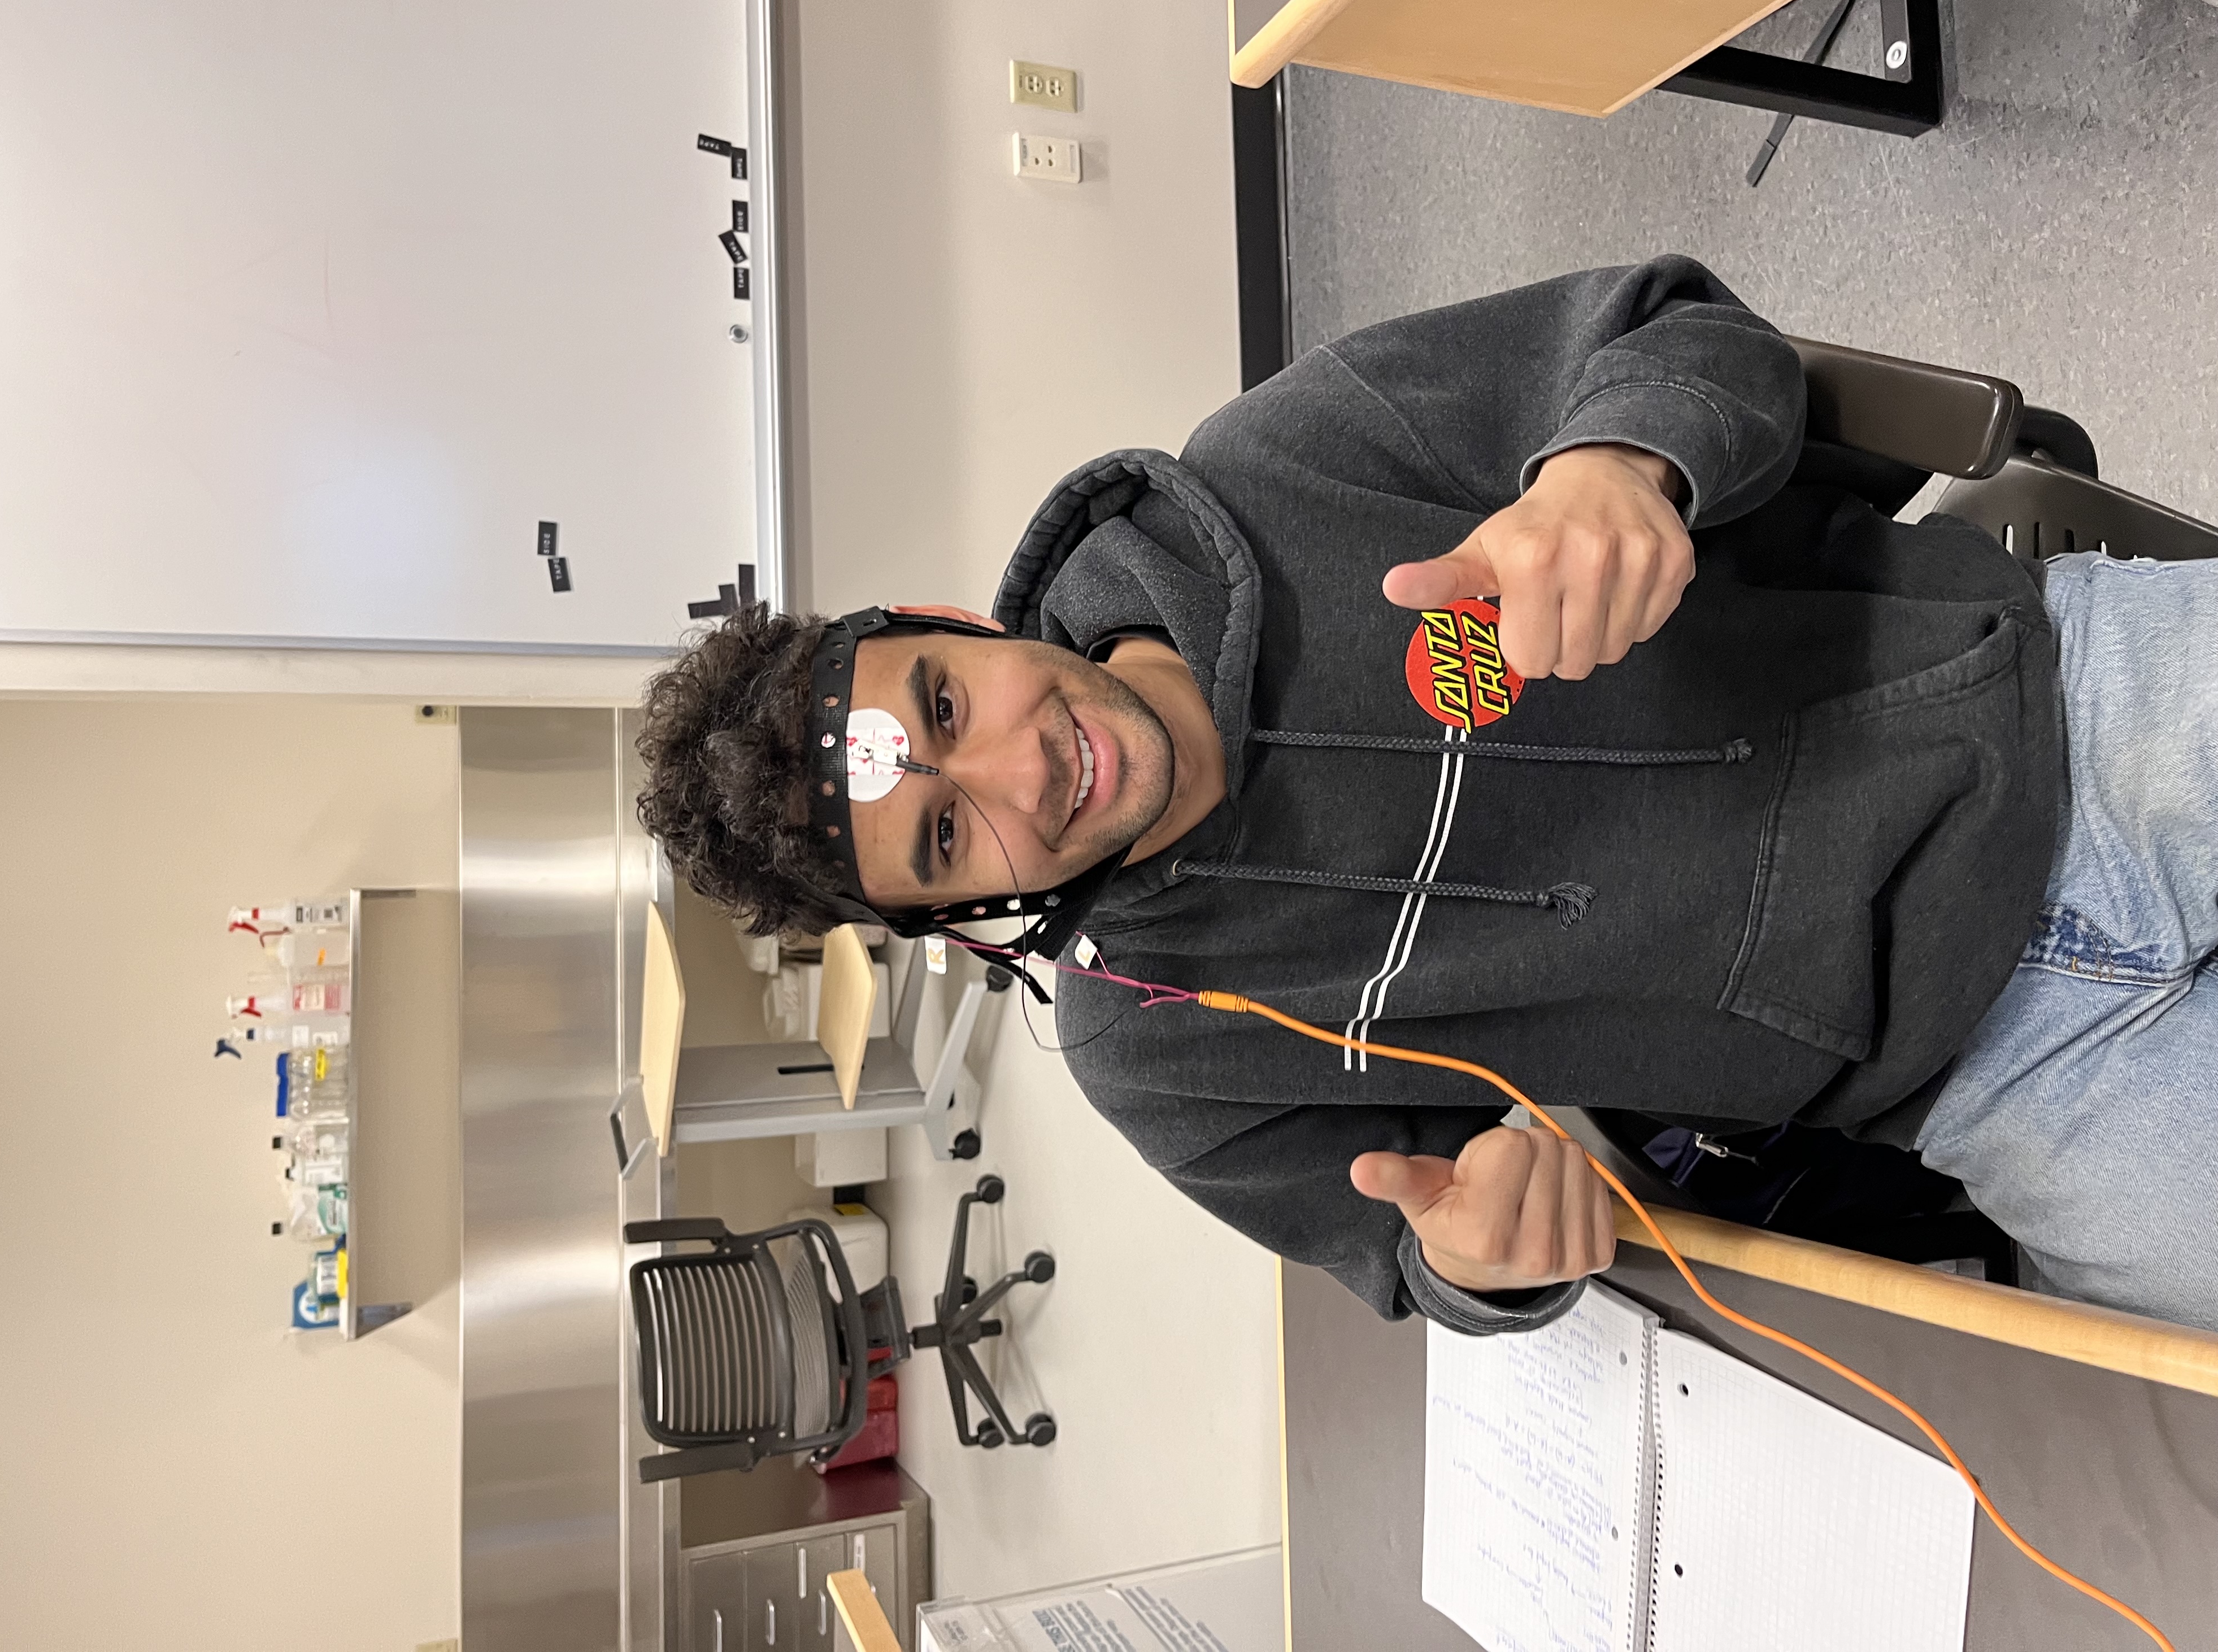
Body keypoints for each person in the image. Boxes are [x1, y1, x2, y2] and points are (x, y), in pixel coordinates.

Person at [636, 256, 2218, 1336]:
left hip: (2074, 715)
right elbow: (1410, 1254)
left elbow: (1680, 327)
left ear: (954, 624)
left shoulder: (1276, 467)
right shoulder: (1164, 1054)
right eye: (947, 833)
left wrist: (1616, 463)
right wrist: (1480, 1258)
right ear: (965, 920)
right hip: (1997, 1082)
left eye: (946, 706)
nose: (1021, 765)